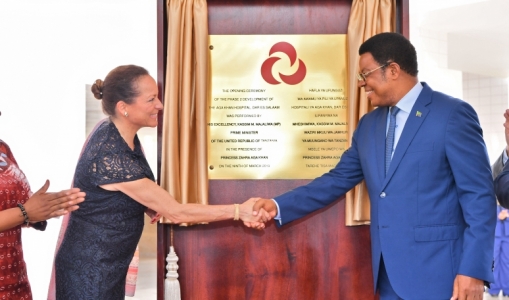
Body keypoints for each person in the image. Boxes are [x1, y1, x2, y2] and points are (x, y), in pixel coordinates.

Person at [250, 32, 496, 300]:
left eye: (365, 74)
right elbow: (336, 180)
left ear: (392, 70)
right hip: (388, 277)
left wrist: (473, 270)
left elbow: (479, 198)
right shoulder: (369, 126)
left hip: (442, 277)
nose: (361, 84)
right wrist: (277, 205)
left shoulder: (451, 114)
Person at [52, 65, 267, 299]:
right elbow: (177, 212)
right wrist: (240, 211)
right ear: (123, 107)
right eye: (151, 99)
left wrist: (143, 203)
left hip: (105, 263)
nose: (160, 105)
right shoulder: (111, 153)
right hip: (90, 270)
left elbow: (112, 191)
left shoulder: (117, 133)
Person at [0, 138, 85, 300]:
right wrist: (24, 213)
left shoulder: (2, 148)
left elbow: (20, 204)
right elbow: (23, 210)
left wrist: (46, 208)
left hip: (15, 281)